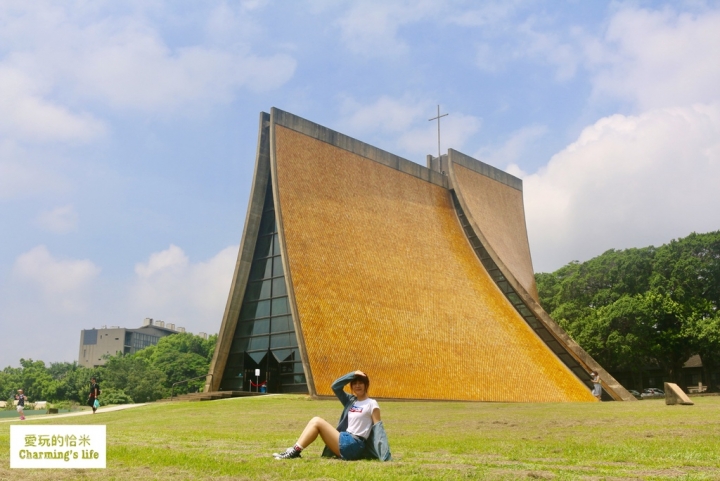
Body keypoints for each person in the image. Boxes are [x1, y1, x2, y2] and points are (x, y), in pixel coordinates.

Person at [273, 370, 390, 461]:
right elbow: (335, 386)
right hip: (346, 439)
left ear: (366, 385)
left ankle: (294, 451)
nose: (357, 386)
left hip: (355, 444)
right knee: (316, 422)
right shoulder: (351, 401)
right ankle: (294, 450)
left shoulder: (371, 403)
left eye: (361, 383)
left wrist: (385, 455)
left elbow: (378, 428)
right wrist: (352, 374)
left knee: (317, 421)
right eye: (354, 383)